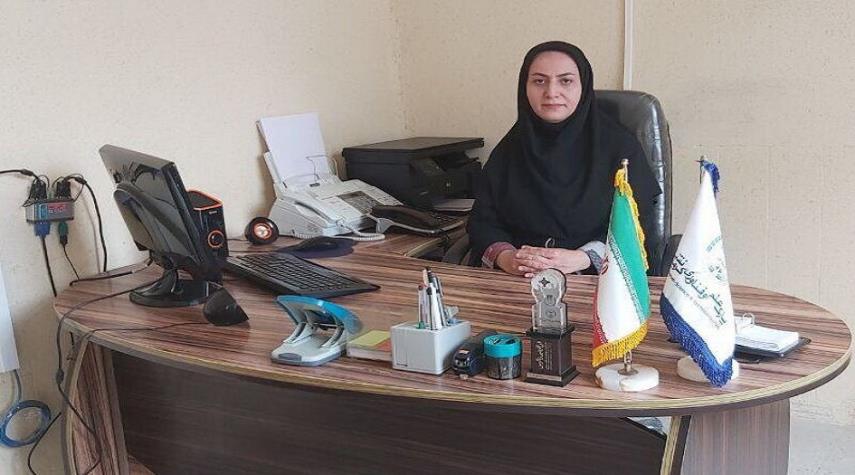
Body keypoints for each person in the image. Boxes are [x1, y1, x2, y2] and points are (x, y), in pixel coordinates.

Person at [467, 41, 661, 277]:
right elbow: (483, 221)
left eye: (566, 81)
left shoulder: (620, 149)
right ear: (524, 87)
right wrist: (507, 257)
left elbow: (638, 227)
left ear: (583, 86)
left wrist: (584, 258)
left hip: (597, 280)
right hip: (518, 279)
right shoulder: (510, 149)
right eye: (539, 81)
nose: (551, 92)